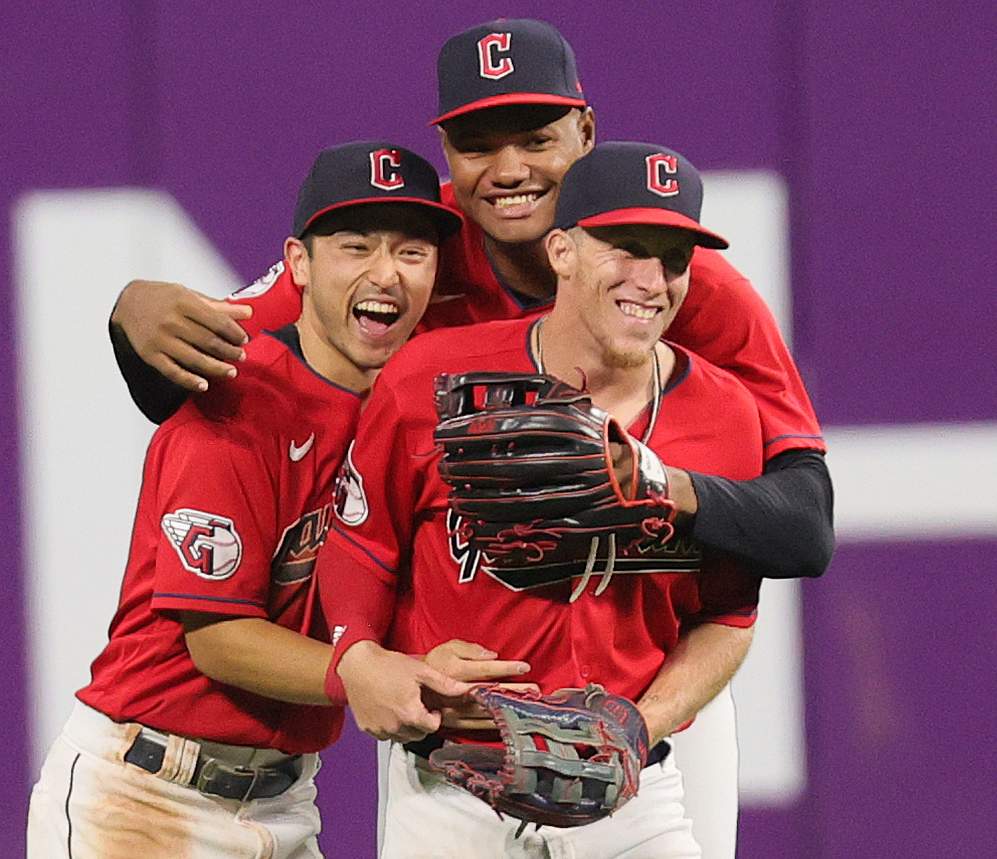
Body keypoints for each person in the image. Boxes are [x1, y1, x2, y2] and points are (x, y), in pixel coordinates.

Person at [104, 19, 834, 856]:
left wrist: (662, 485)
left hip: (646, 711)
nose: (510, 169)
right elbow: (217, 376)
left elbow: (803, 521)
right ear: (447, 151)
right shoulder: (420, 248)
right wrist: (131, 319)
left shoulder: (684, 288)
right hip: (459, 721)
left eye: (536, 136)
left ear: (584, 134)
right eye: (478, 143)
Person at [26, 141, 527, 859]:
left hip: (286, 803)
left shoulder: (414, 415)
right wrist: (360, 670)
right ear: (299, 264)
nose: (385, 272)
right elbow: (218, 637)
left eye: (413, 252)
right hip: (145, 796)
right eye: (355, 245)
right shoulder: (237, 402)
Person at [317, 141, 763, 858]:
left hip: (632, 799)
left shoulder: (727, 417)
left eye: (673, 257)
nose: (650, 279)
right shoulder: (431, 377)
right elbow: (360, 545)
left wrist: (642, 724)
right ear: (561, 251)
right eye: (625, 247)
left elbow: (729, 616)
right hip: (452, 789)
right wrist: (359, 655)